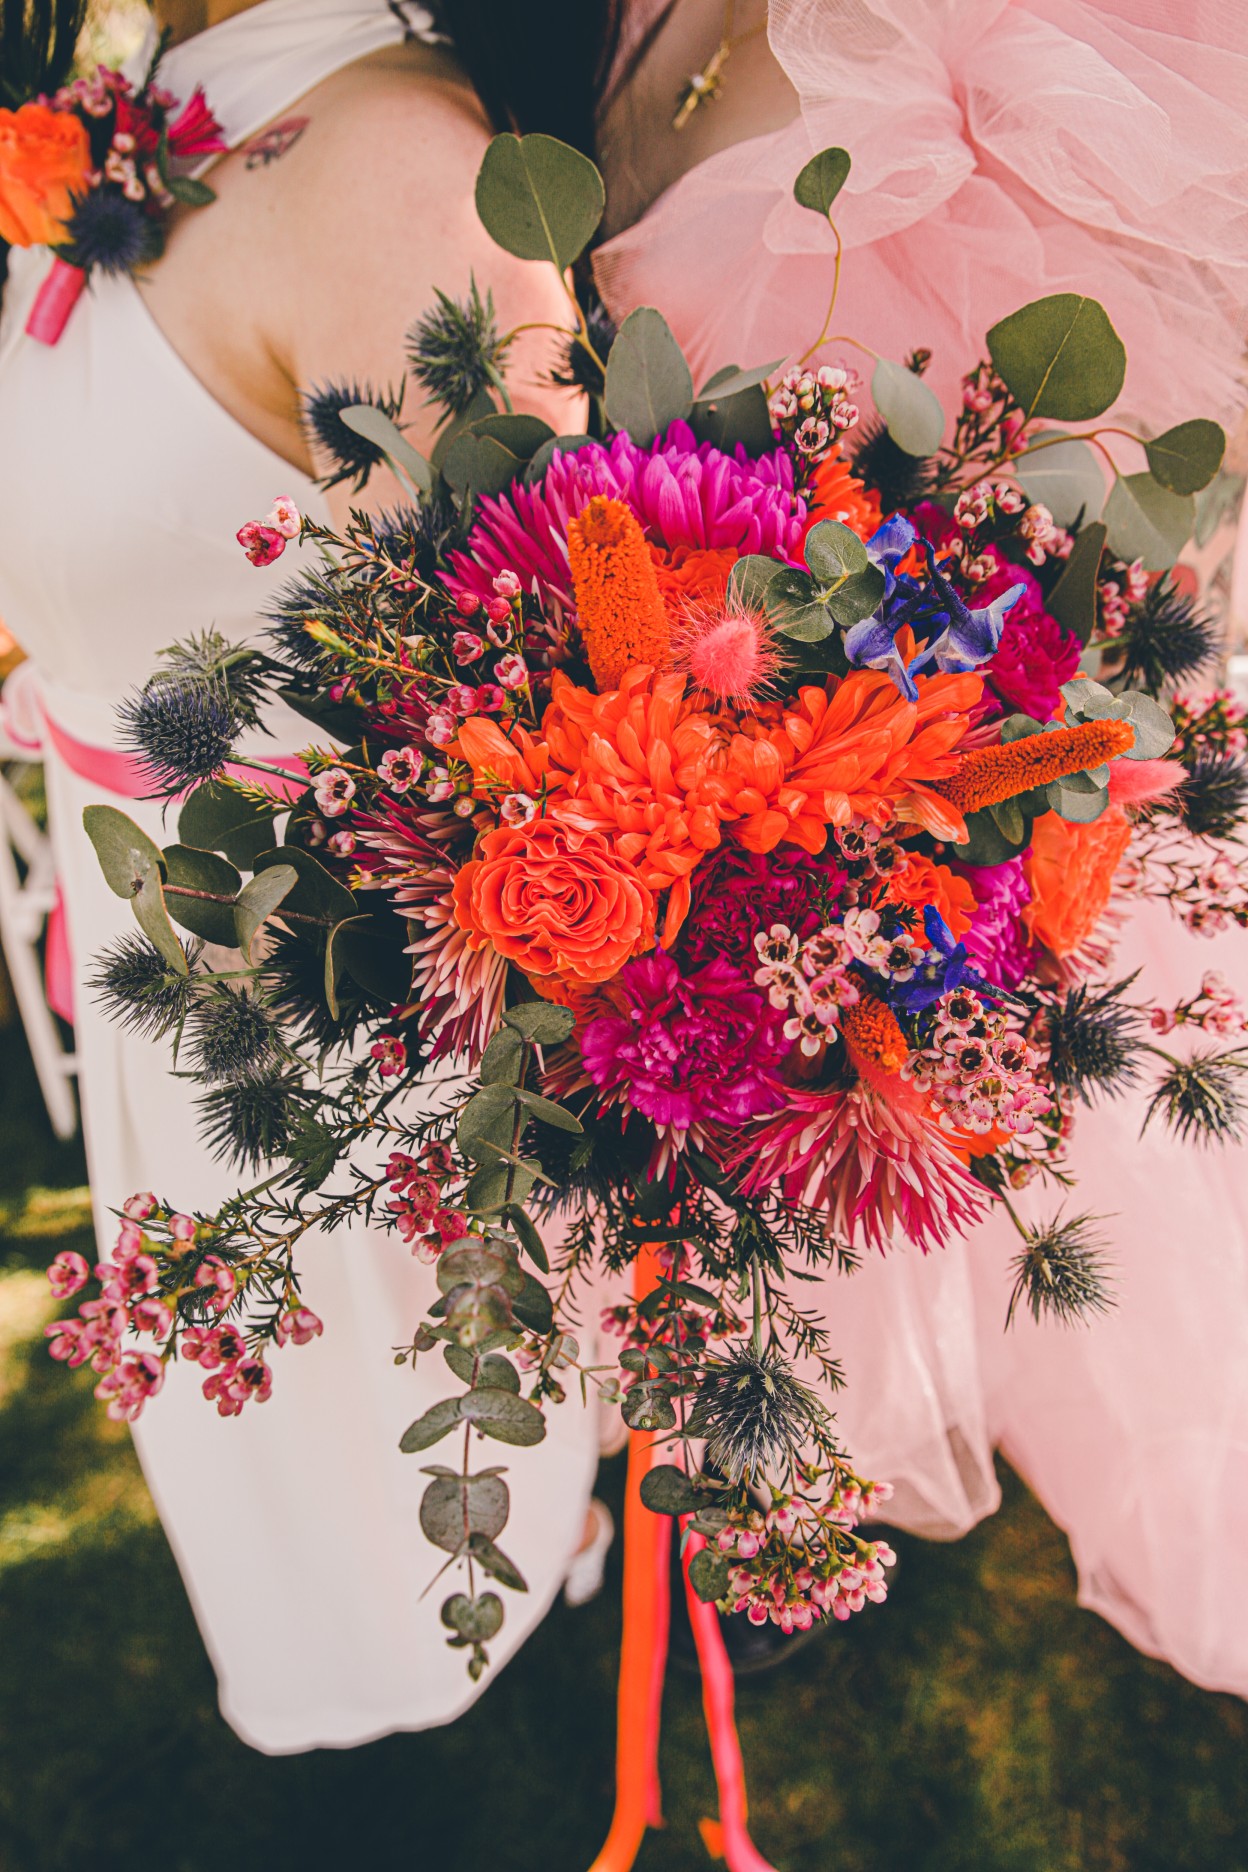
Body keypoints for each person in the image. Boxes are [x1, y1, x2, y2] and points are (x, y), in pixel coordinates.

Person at [595, 0, 1248, 1696]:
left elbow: (1096, 552)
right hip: (712, 807)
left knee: (1122, 1334)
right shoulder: (613, 27)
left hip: (930, 842)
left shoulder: (975, 66)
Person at [0, 0, 621, 1750]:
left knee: (408, 1429)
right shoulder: (159, 111)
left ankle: (525, 1586)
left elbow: (523, 722)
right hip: (167, 954)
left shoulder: (398, 168)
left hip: (340, 993)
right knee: (261, 1417)